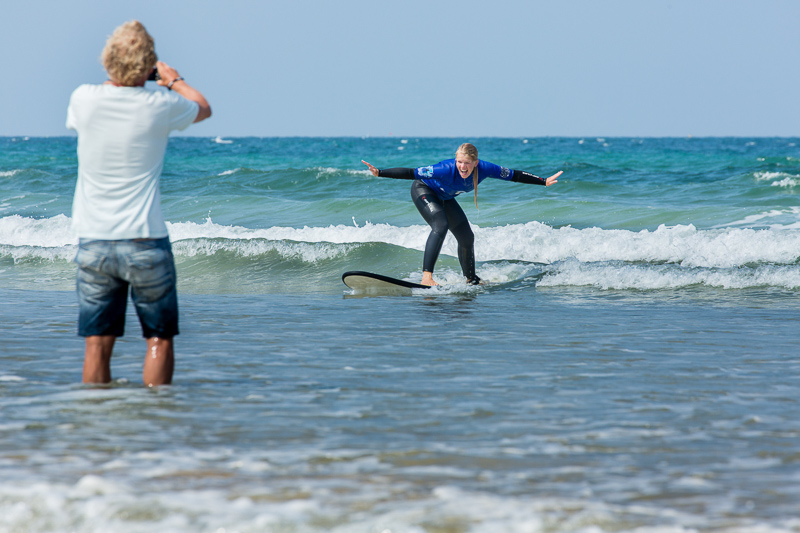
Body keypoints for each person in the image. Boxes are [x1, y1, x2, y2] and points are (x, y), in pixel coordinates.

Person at [66, 20, 212, 386]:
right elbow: (203, 107)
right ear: (149, 66)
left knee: (97, 343)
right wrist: (172, 79)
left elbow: (106, 88)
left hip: (94, 239)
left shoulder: (83, 98)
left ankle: (97, 419)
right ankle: (155, 422)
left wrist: (124, 71)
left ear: (107, 61)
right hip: (146, 240)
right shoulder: (161, 103)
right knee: (158, 338)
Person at [362, 143, 561, 286]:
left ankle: (471, 279)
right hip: (424, 190)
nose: (462, 167)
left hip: (445, 198)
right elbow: (411, 173)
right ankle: (426, 277)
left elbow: (514, 175)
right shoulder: (444, 169)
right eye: (459, 162)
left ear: (475, 162)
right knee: (440, 225)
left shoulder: (486, 169)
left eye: (466, 163)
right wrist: (380, 172)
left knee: (467, 237)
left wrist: (543, 181)